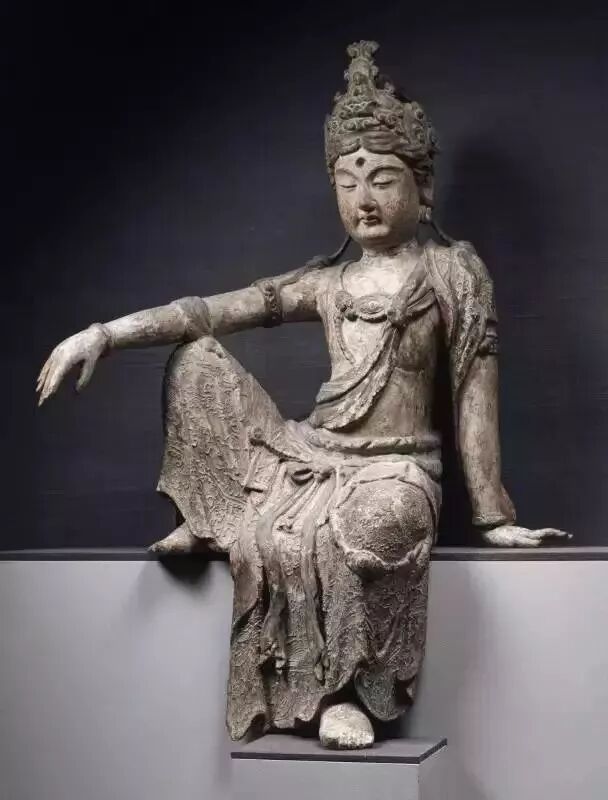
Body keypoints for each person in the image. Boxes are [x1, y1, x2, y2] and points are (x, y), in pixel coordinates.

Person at [36, 41, 568, 749]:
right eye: (347, 183)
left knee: (376, 525)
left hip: (397, 468)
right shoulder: (326, 282)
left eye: (382, 179)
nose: (364, 198)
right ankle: (212, 515)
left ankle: (342, 695)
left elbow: (475, 388)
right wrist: (104, 333)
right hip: (314, 453)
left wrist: (494, 514)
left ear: (423, 189)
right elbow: (208, 311)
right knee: (198, 358)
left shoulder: (452, 273)